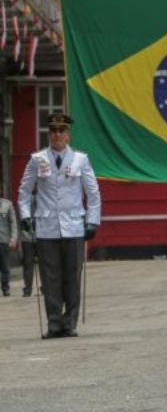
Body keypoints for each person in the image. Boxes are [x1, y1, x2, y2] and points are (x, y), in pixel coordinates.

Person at [17, 112, 102, 339]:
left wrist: (92, 221)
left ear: (68, 134)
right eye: (53, 131)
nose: (57, 135)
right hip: (46, 227)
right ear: (48, 134)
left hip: (74, 226)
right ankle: (54, 323)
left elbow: (93, 194)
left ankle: (69, 323)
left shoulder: (80, 160)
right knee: (50, 277)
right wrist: (25, 215)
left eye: (61, 131)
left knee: (72, 277)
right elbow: (24, 192)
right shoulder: (37, 159)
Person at [0, 187, 17, 296]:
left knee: (5, 267)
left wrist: (13, 238)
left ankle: (5, 288)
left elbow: (13, 223)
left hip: (3, 240)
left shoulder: (7, 205)